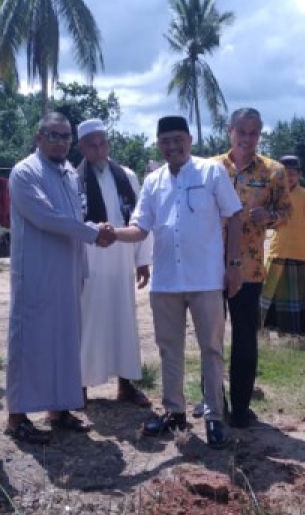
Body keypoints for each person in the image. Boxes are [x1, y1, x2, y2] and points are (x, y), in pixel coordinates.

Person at [110, 115, 243, 450]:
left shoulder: (211, 172)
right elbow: (139, 227)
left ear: (189, 140)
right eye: (165, 141)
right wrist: (110, 233)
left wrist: (234, 265)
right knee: (170, 349)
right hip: (166, 281)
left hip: (206, 279)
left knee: (211, 349)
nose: (172, 146)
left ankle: (214, 416)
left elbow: (235, 215)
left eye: (177, 139)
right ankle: (175, 412)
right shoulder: (153, 181)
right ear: (158, 145)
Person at [4, 112, 114, 445]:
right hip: (36, 272)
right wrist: (93, 233)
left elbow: (73, 216)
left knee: (65, 340)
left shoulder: (69, 173)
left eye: (66, 136)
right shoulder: (25, 172)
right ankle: (17, 416)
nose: (61, 141)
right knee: (30, 341)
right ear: (39, 137)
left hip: (68, 270)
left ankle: (60, 408)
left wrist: (87, 247)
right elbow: (48, 218)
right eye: (54, 135)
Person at [214, 108, 290, 428]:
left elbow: (286, 212)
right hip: (209, 268)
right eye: (241, 132)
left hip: (250, 269)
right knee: (211, 339)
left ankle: (241, 408)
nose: (247, 139)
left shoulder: (273, 172)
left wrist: (268, 217)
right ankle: (213, 402)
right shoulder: (211, 168)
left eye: (253, 133)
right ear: (230, 131)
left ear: (260, 134)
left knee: (245, 339)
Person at [75, 118, 152, 407]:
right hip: (88, 262)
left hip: (121, 262)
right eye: (92, 145)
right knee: (87, 322)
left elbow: (140, 220)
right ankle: (79, 386)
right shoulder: (73, 178)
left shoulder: (128, 176)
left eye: (103, 143)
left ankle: (126, 384)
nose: (99, 150)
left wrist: (142, 260)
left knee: (124, 321)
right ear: (81, 147)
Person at [259, 155, 305, 336]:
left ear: (299, 175)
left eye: (293, 174)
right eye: (285, 174)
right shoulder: (275, 194)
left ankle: (293, 335)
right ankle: (263, 331)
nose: (289, 177)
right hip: (277, 251)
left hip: (300, 253)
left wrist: (299, 237)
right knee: (268, 292)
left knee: (295, 296)